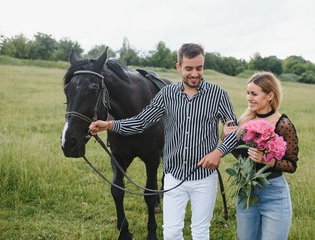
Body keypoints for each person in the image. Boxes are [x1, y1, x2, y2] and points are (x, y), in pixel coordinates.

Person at [89, 43, 238, 240]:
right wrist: (109, 125)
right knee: (171, 233)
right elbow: (141, 121)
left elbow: (233, 131)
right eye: (189, 68)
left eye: (199, 68)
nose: (195, 74)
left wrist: (218, 152)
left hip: (204, 177)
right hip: (173, 177)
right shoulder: (167, 94)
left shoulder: (218, 95)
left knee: (200, 232)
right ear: (179, 68)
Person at [222, 71, 299, 240]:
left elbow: (292, 164)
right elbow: (241, 155)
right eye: (248, 93)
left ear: (270, 95)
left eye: (254, 94)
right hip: (246, 192)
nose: (249, 98)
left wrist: (268, 160)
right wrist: (226, 137)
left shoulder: (283, 124)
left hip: (274, 193)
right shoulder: (245, 121)